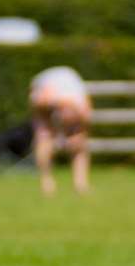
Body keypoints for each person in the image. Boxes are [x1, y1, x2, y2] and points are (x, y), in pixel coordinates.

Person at [29, 65, 91, 196]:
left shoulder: (82, 105)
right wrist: (54, 134)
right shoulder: (46, 95)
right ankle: (46, 181)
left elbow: (85, 122)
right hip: (45, 92)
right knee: (44, 138)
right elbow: (38, 108)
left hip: (67, 97)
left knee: (80, 145)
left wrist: (76, 135)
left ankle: (81, 185)